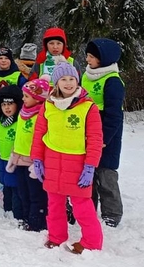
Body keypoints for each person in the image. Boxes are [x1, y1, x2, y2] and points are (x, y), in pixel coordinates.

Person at [31, 63, 104, 253]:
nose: (68, 83)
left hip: (77, 164)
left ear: (77, 80)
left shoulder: (88, 107)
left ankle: (91, 242)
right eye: (63, 79)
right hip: (52, 160)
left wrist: (90, 166)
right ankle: (56, 237)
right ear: (56, 83)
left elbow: (95, 139)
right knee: (54, 204)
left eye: (72, 79)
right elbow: (39, 133)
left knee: (82, 206)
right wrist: (37, 159)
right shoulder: (49, 105)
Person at [81, 38, 125, 228]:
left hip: (107, 136)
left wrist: (104, 138)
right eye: (88, 55)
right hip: (86, 132)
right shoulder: (86, 75)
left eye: (92, 57)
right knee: (88, 174)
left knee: (106, 176)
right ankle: (89, 209)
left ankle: (112, 215)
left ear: (104, 59)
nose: (88, 59)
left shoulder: (113, 81)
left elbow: (115, 114)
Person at [8, 78, 50, 232]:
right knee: (23, 192)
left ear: (38, 97)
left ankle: (37, 222)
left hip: (33, 162)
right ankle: (26, 218)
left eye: (26, 96)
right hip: (20, 159)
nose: (23, 99)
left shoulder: (42, 114)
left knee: (36, 194)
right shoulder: (24, 111)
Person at [0, 85, 24, 219]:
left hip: (16, 161)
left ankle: (17, 215)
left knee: (16, 188)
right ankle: (7, 210)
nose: (7, 107)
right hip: (3, 159)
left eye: (10, 104)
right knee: (6, 185)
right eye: (4, 104)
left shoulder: (20, 123)